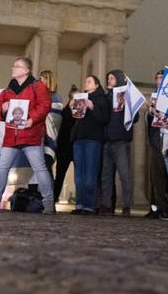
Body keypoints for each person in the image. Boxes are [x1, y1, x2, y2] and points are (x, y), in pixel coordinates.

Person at [0, 57, 55, 214]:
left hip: (31, 135)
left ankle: (48, 203)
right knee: (2, 167)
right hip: (11, 136)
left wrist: (32, 119)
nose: (13, 68)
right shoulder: (7, 91)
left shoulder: (38, 86)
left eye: (17, 66)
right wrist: (3, 109)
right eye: (13, 66)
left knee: (40, 169)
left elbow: (45, 105)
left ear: (26, 70)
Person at [71, 75, 110, 214]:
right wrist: (73, 107)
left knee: (90, 174)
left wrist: (92, 106)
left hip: (93, 139)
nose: (86, 83)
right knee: (79, 174)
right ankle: (79, 204)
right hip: (79, 139)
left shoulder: (101, 98)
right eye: (85, 81)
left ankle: (89, 205)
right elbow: (76, 118)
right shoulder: (81, 97)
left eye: (89, 81)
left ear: (97, 85)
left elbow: (104, 118)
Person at [100, 69, 134, 216]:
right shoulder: (106, 97)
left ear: (119, 80)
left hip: (121, 142)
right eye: (108, 78)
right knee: (106, 176)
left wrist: (126, 106)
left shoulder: (127, 97)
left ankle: (126, 206)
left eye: (112, 78)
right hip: (107, 142)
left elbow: (135, 116)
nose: (109, 81)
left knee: (124, 175)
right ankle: (107, 205)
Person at [145, 70, 168, 219]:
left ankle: (165, 206)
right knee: (155, 175)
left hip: (166, 138)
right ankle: (154, 207)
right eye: (158, 78)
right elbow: (150, 123)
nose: (159, 81)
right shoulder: (154, 95)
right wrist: (149, 113)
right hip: (155, 140)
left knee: (166, 176)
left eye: (162, 78)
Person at [53, 85, 77, 203]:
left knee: (78, 176)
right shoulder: (65, 111)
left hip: (73, 146)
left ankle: (80, 198)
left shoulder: (78, 111)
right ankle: (54, 196)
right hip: (64, 147)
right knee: (60, 175)